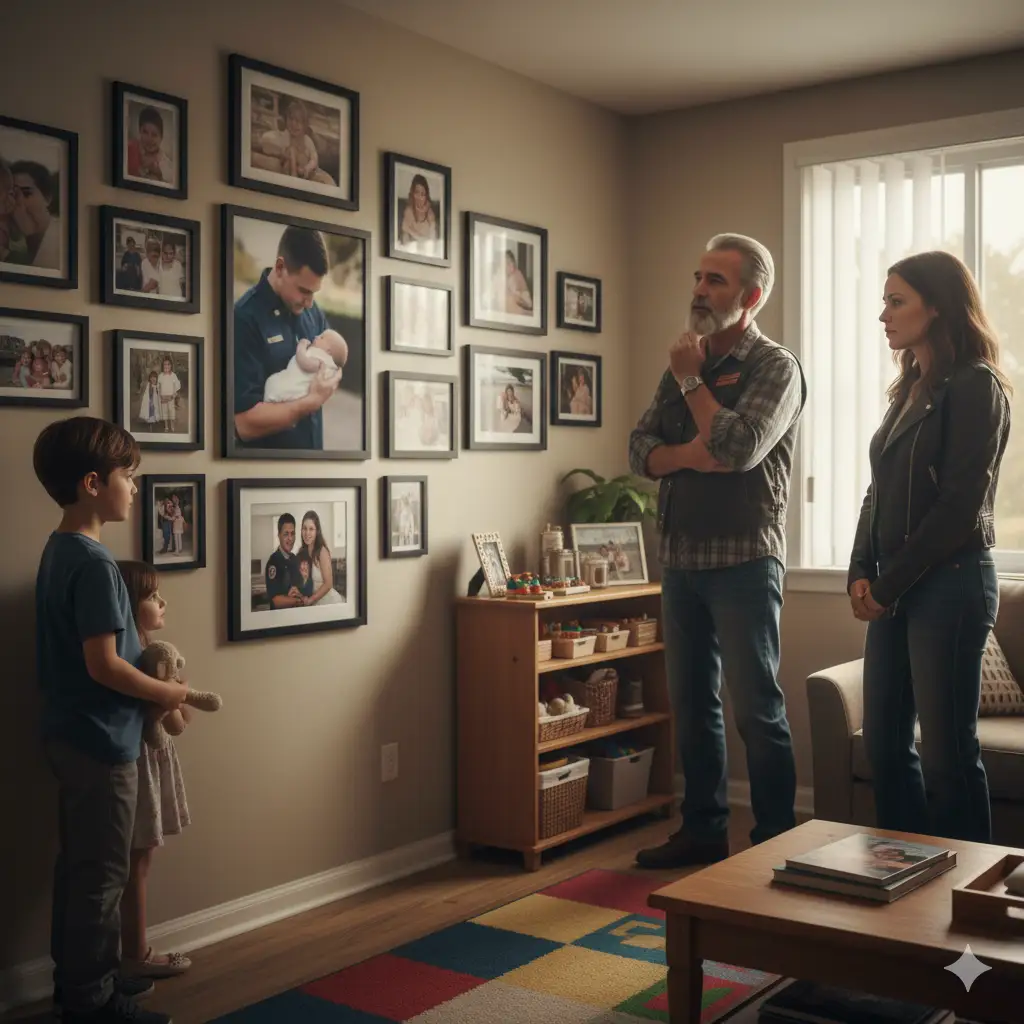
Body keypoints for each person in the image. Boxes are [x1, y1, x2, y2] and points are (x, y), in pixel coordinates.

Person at [629, 232, 806, 868]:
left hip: (744, 562)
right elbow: (638, 450)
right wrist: (687, 457)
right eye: (699, 277)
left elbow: (737, 448)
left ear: (752, 297)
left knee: (757, 709)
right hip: (679, 562)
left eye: (717, 281)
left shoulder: (775, 367)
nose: (700, 290)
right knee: (692, 704)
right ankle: (701, 831)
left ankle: (775, 843)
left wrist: (691, 384)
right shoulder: (686, 358)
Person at [848, 250, 1011, 844]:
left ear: (937, 306)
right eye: (884, 301)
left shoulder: (977, 386)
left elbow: (959, 510)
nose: (883, 315)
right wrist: (859, 570)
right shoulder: (909, 387)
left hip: (952, 584)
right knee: (886, 748)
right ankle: (904, 886)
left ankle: (971, 901)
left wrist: (888, 585)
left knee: (947, 756)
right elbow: (879, 490)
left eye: (896, 301)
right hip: (895, 583)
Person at [33, 416, 185, 1023]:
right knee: (101, 876)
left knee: (81, 869)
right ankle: (91, 1003)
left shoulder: (57, 549)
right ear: (94, 483)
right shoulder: (95, 565)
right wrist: (167, 692)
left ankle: (80, 985)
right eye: (129, 476)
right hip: (101, 740)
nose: (135, 487)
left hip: (70, 735)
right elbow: (105, 665)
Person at [116, 561, 193, 980]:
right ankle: (136, 953)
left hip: (153, 760)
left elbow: (180, 722)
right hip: (139, 763)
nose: (162, 602)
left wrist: (175, 694)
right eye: (151, 596)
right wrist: (167, 700)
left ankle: (133, 950)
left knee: (141, 859)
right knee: (137, 862)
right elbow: (171, 721)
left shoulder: (154, 657)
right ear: (128, 605)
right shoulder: (132, 662)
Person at [233, 226, 341, 450]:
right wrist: (309, 402)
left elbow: (334, 368)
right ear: (280, 267)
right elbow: (243, 423)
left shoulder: (314, 312)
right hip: (268, 473)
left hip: (312, 466)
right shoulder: (243, 317)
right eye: (304, 290)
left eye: (314, 292)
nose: (310, 302)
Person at [262, 328, 348, 404]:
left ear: (328, 351)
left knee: (273, 383)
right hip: (299, 393)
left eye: (321, 338)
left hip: (295, 390)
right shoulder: (329, 366)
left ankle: (271, 400)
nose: (316, 337)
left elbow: (305, 363)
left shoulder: (322, 361)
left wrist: (301, 346)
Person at [265, 513, 304, 609]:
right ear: (279, 535)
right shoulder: (273, 562)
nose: (290, 538)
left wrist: (299, 593)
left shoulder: (295, 559)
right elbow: (276, 600)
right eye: (286, 534)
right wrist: (298, 601)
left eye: (292, 534)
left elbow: (301, 588)